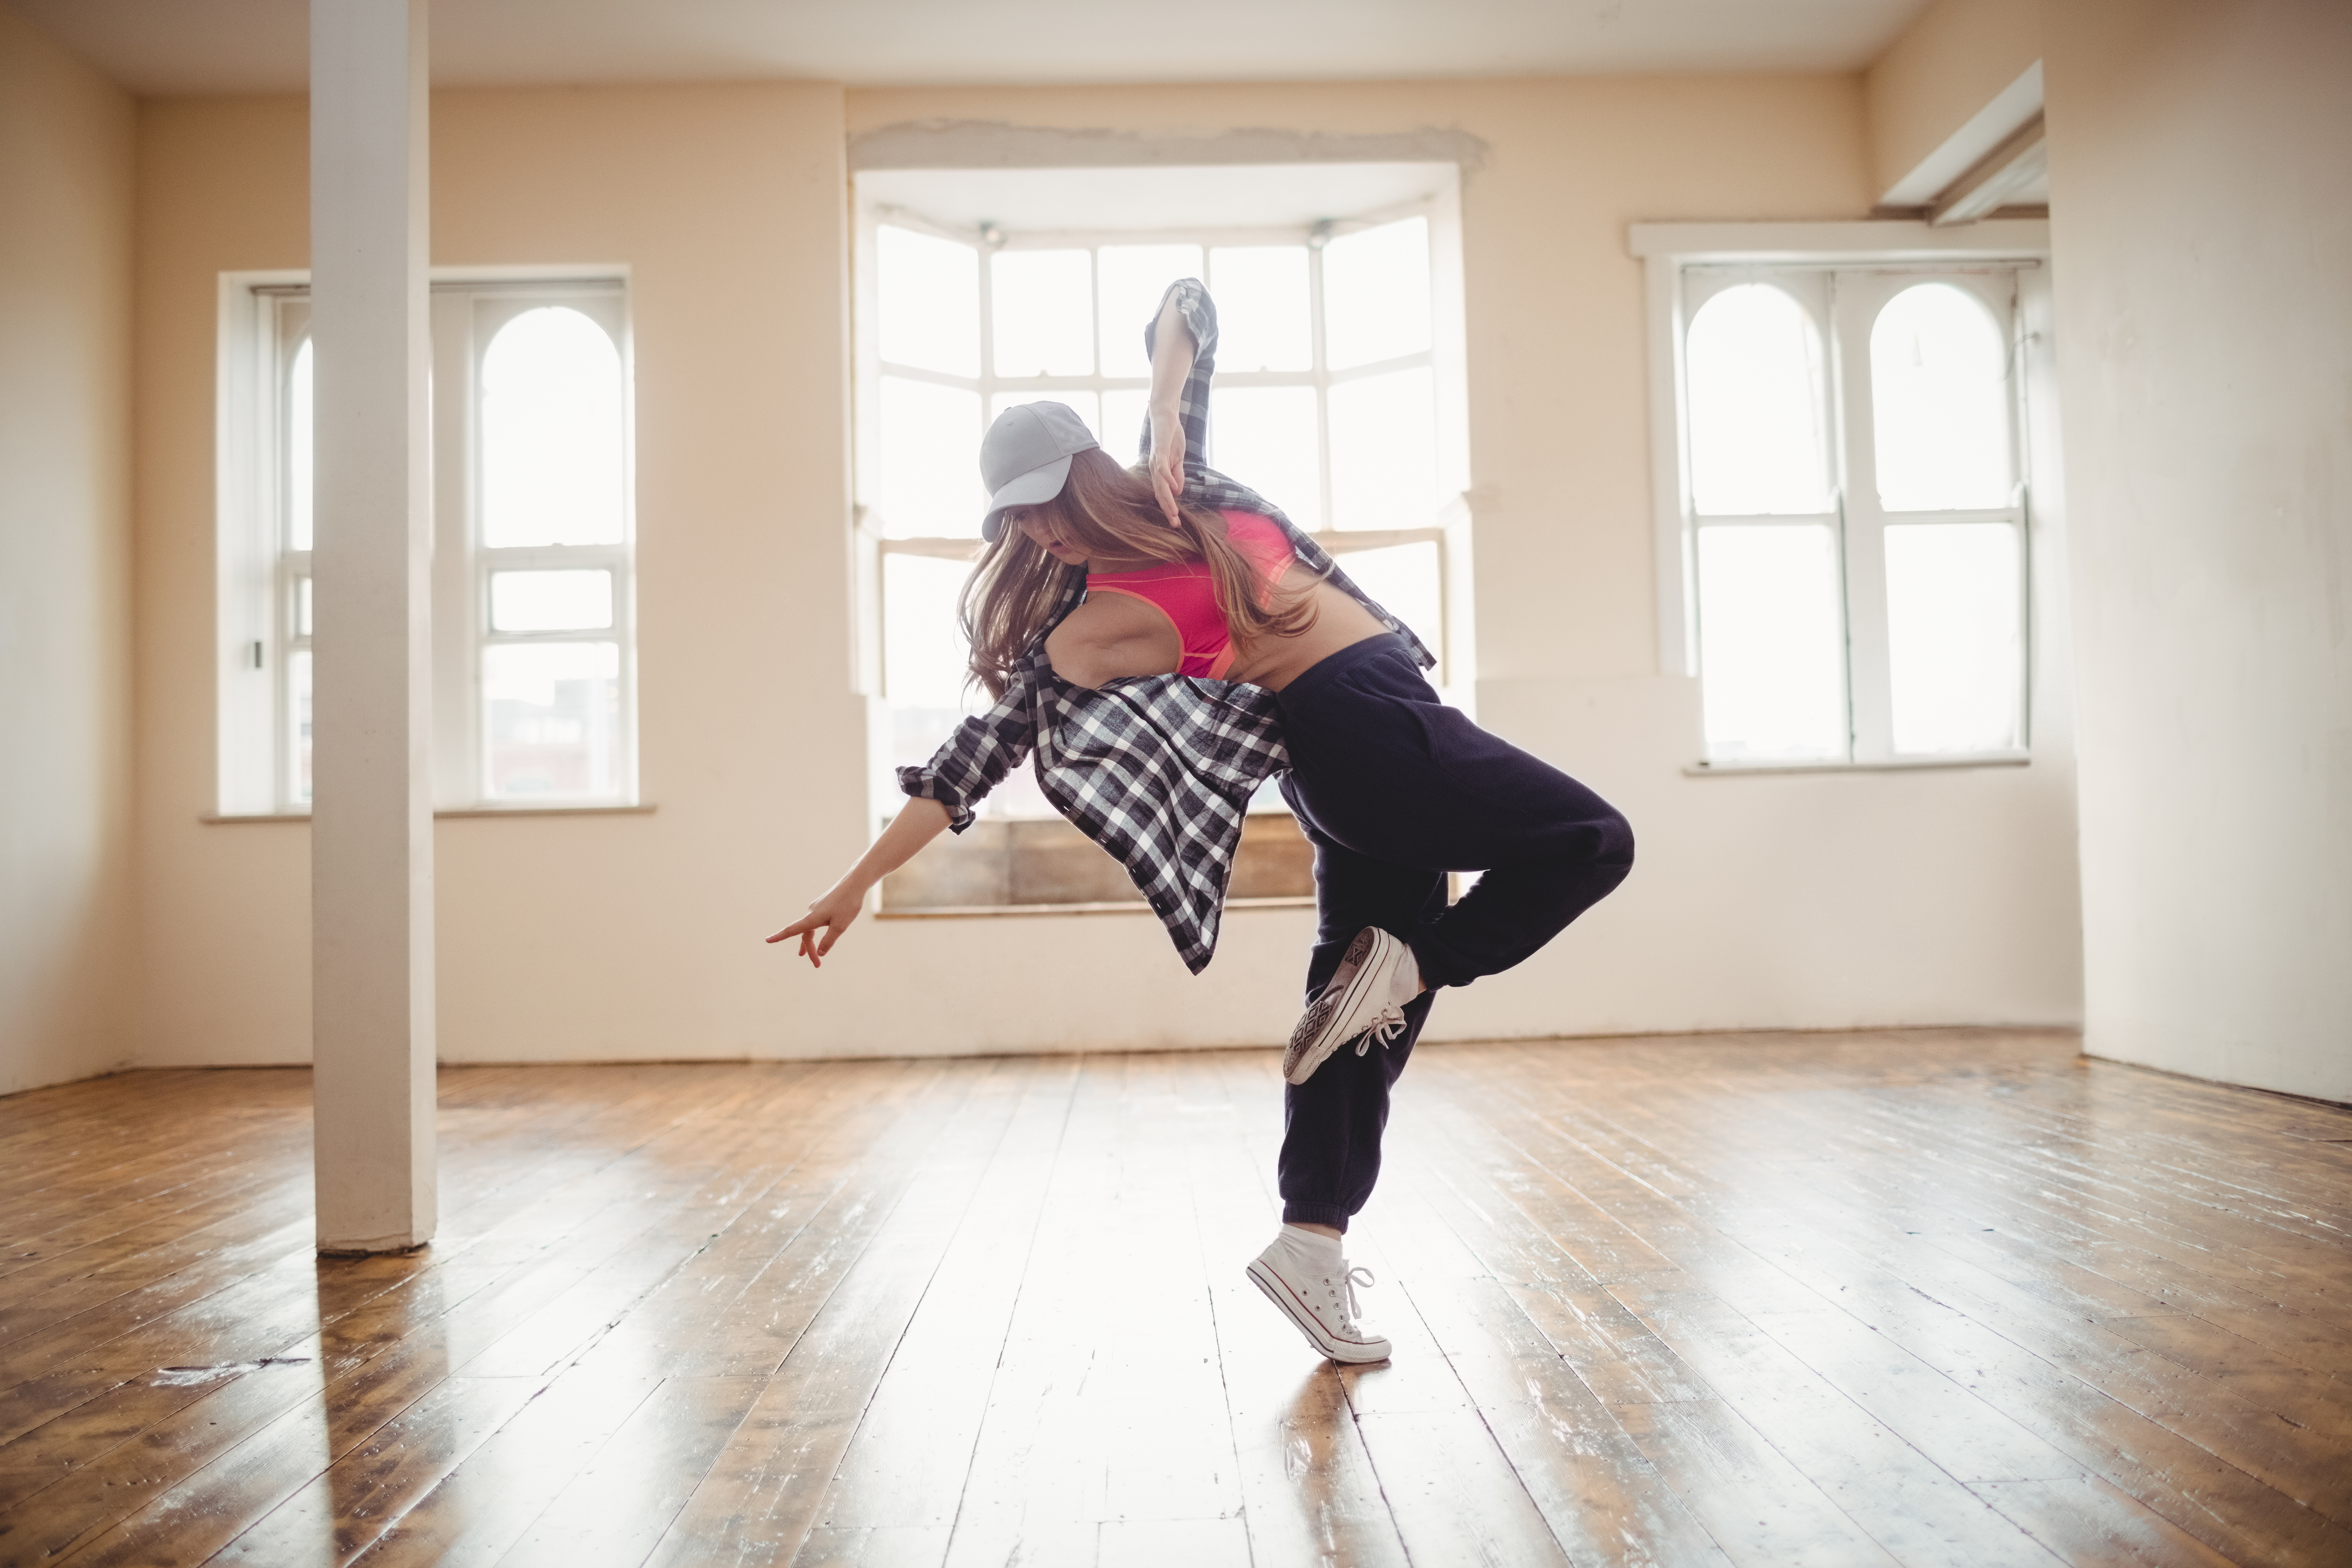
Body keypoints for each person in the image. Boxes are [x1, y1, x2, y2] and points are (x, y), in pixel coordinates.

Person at [772, 279, 1633, 1365]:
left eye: (1043, 497)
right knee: (1593, 839)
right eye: (1015, 517)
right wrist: (856, 882)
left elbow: (1189, 305)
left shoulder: (1179, 482)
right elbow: (970, 763)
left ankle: (1311, 1242)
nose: (1036, 526)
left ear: (1089, 467)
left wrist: (1172, 402)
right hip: (1361, 730)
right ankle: (1419, 965)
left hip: (1362, 749)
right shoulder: (1084, 630)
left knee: (1354, 1016)